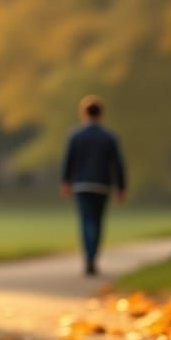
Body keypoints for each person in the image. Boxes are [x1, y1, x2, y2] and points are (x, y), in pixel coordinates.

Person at [59, 95, 127, 276]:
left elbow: (69, 161)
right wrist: (121, 187)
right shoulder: (109, 137)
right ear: (101, 114)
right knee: (97, 222)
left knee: (86, 221)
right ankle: (93, 256)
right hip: (102, 185)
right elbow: (118, 163)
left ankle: (88, 257)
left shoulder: (76, 136)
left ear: (83, 113)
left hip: (81, 185)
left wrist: (66, 182)